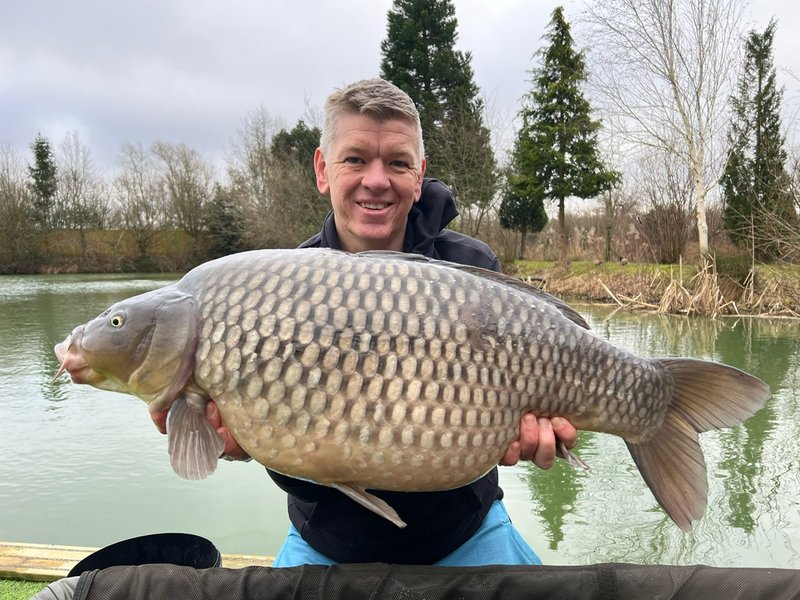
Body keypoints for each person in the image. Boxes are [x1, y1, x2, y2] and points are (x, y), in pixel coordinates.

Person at [153, 77, 578, 566]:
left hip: (466, 534)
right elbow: (292, 448)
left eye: (397, 163)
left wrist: (536, 431)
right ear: (323, 169)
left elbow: (526, 408)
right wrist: (243, 439)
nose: (376, 180)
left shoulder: (471, 267)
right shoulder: (278, 289)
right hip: (326, 544)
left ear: (419, 176)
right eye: (355, 159)